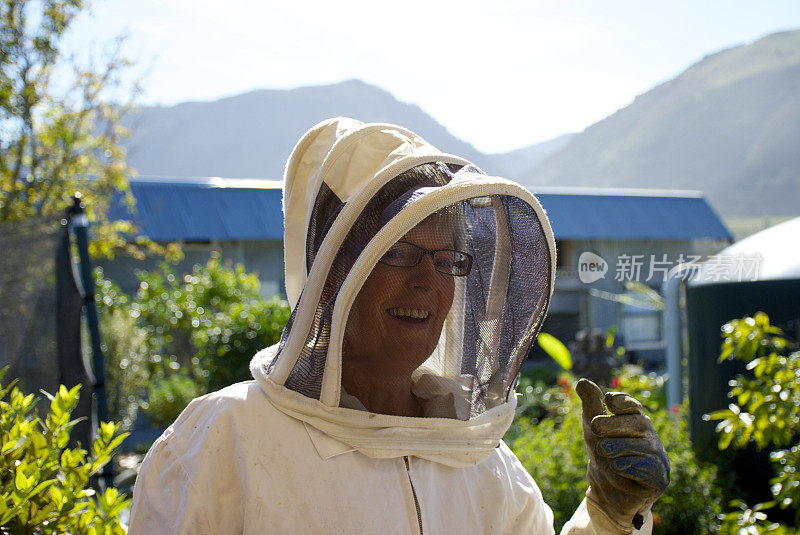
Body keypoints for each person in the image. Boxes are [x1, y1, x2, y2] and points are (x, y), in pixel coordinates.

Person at [129, 117, 669, 534]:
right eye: (399, 253)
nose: (428, 283)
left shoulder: (482, 461)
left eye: (449, 259)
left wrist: (610, 513)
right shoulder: (227, 437)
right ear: (333, 270)